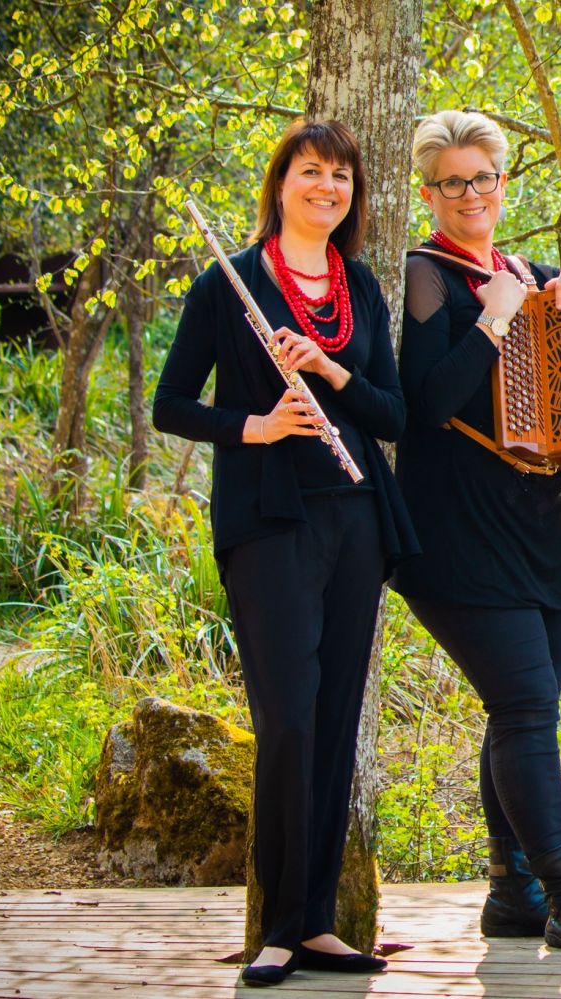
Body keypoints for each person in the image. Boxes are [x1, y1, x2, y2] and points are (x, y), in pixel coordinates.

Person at [153, 119, 417, 986]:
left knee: (336, 723)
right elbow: (172, 406)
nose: (327, 187)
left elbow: (394, 414)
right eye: (311, 172)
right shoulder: (225, 286)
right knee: (288, 723)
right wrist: (258, 425)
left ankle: (315, 925)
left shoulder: (362, 288)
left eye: (341, 175)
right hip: (270, 526)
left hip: (356, 520)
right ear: (281, 184)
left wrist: (333, 372)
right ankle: (273, 925)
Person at [390, 109, 561, 953]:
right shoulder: (423, 276)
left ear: (505, 184)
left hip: (545, 529)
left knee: (518, 712)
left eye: (484, 177)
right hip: (457, 534)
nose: (472, 193)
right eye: (453, 182)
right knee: (527, 707)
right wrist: (495, 315)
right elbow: (425, 403)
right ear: (431, 193)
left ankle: (510, 889)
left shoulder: (525, 271)